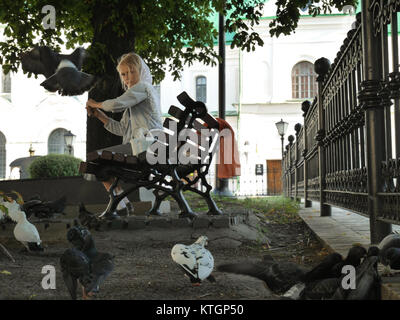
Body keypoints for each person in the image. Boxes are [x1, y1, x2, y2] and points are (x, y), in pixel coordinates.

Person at [86, 52, 163, 218]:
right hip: (141, 146)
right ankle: (123, 205)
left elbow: (116, 104)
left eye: (132, 72)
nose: (128, 78)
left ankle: (121, 206)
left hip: (147, 147)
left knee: (96, 161)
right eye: (124, 74)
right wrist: (99, 114)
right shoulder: (134, 99)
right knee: (97, 163)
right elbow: (121, 129)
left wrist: (95, 103)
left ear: (141, 70)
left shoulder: (143, 88)